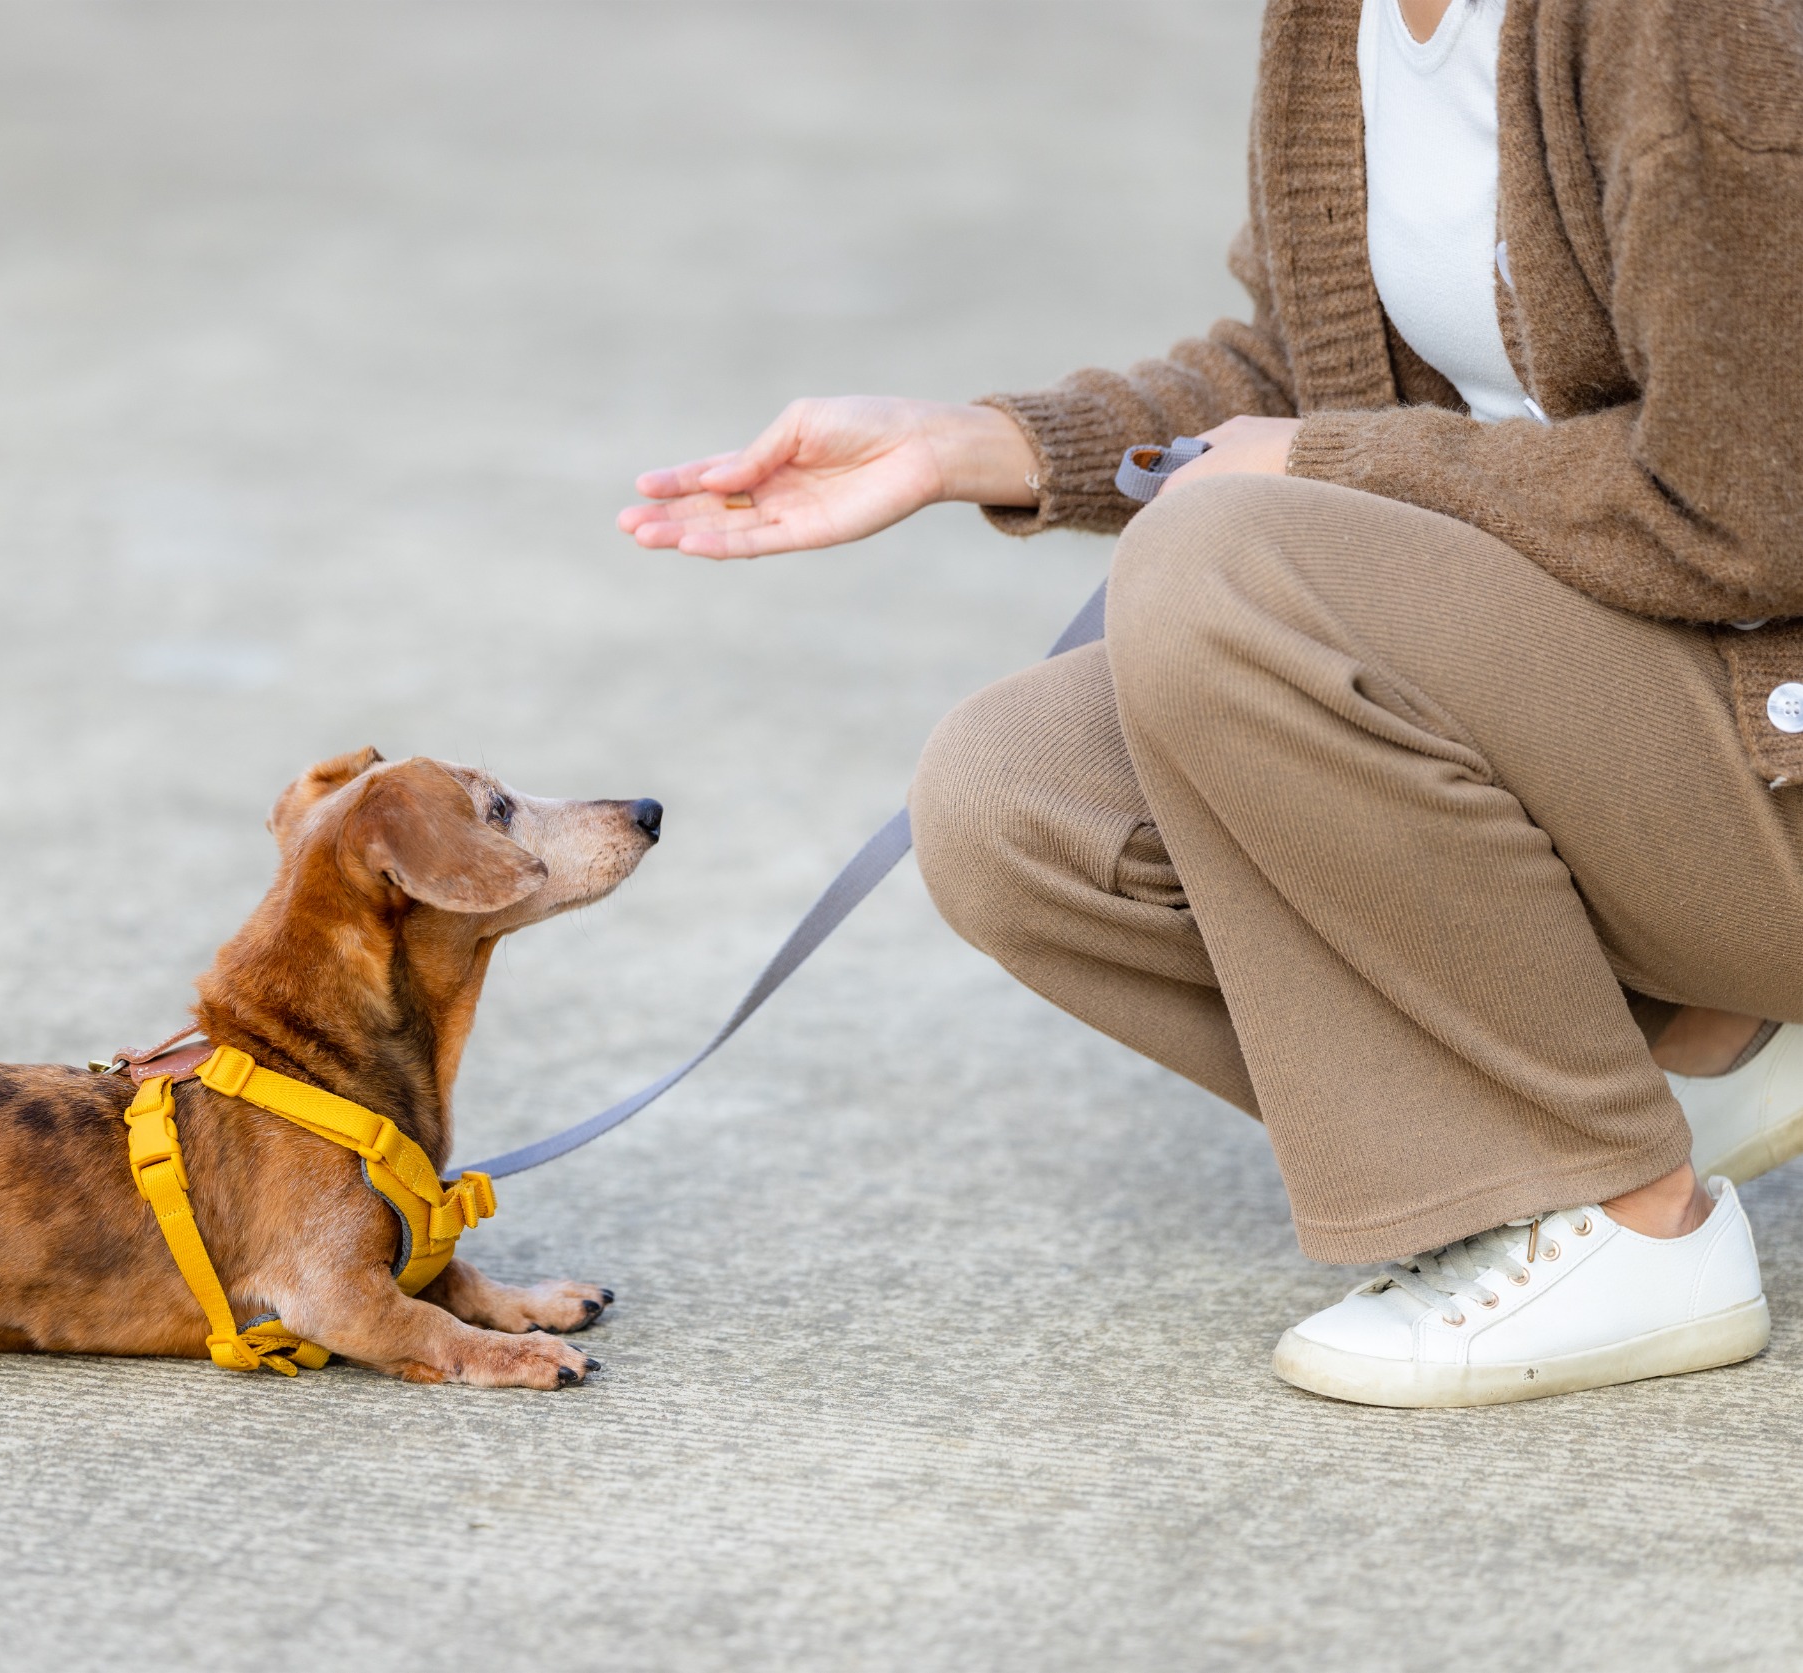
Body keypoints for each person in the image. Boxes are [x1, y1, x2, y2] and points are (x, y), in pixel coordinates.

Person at [620, 0, 1803, 1406]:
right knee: (1016, 800)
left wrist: (1320, 466)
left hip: (1765, 743)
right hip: (1651, 741)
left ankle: (1630, 1220)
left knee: (1224, 567)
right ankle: (1663, 1063)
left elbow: (1745, 506)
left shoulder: (1696, 27)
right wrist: (975, 445)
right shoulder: (1338, 21)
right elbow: (1313, 369)